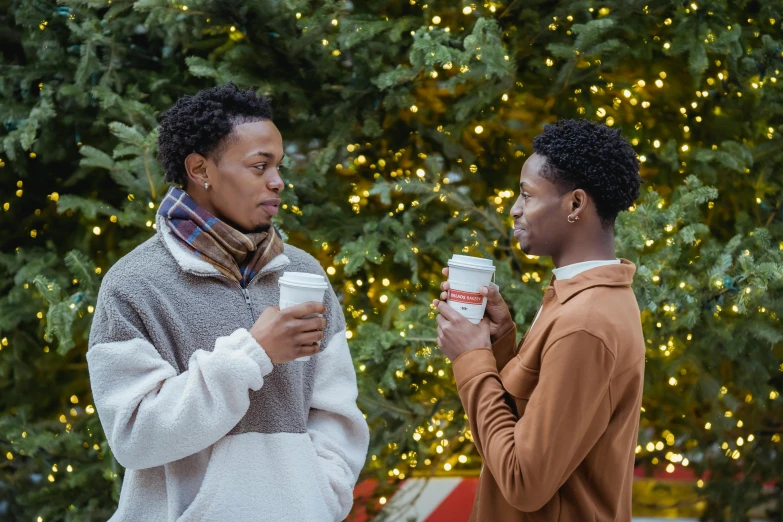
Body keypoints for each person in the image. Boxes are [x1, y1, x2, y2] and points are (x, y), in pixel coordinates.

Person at [87, 83, 369, 522]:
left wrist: (320, 497)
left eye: (278, 165)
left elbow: (336, 413)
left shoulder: (304, 274)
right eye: (260, 166)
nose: (278, 181)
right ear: (201, 169)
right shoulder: (134, 283)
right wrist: (253, 354)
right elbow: (133, 436)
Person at [433, 119, 645, 521]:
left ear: (575, 204)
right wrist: (498, 344)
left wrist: (471, 359)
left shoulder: (586, 321)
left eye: (526, 195)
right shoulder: (577, 299)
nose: (514, 209)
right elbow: (539, 425)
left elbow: (525, 481)